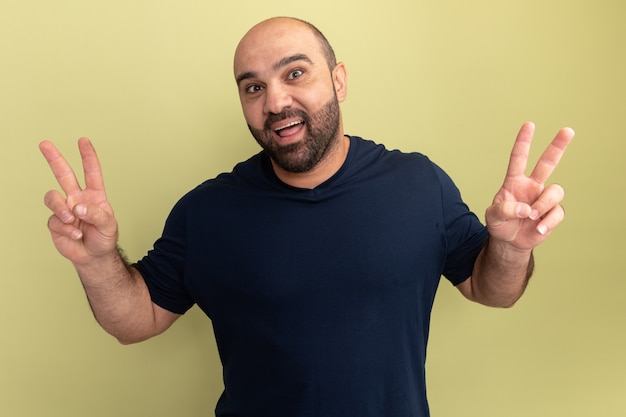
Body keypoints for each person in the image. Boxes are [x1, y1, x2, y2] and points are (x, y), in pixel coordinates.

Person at [40, 16, 574, 417]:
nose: (275, 101)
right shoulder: (206, 210)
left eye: (295, 73)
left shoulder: (418, 185)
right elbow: (136, 321)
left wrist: (510, 246)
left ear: (339, 80)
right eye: (253, 87)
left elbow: (493, 289)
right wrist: (97, 260)